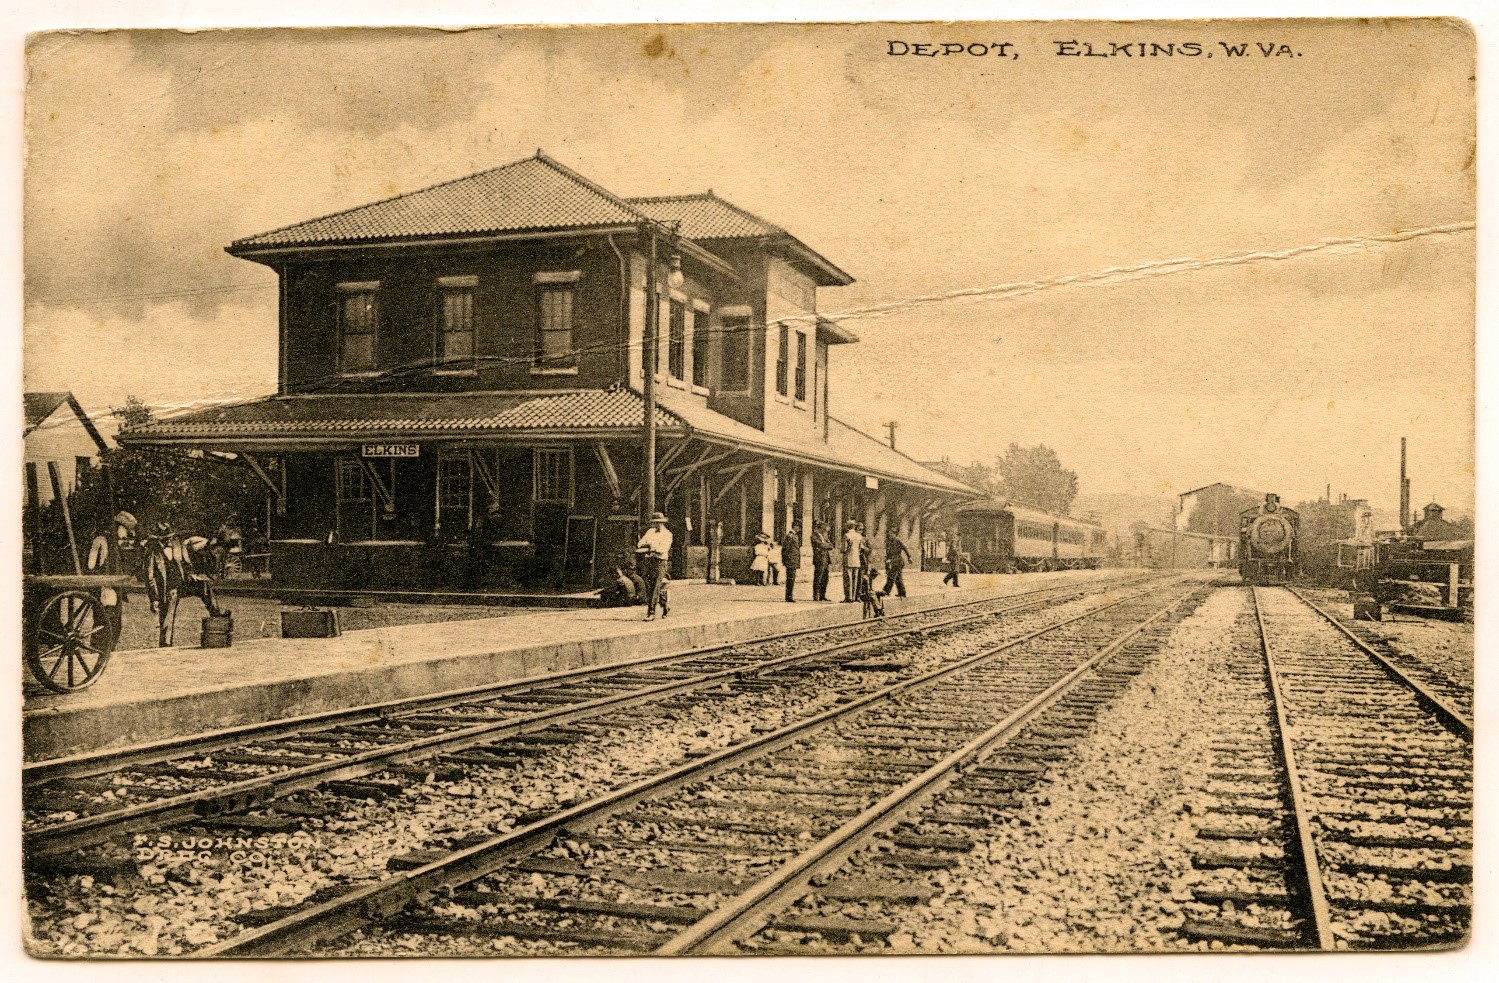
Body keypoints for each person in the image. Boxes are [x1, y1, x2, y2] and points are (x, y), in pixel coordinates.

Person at [142, 520, 225, 647]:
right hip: (167, 589)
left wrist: (191, 574)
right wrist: (154, 598)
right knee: (167, 617)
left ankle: (217, 615)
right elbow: (150, 577)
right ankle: (165, 644)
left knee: (204, 586)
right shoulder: (152, 552)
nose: (166, 541)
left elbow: (186, 563)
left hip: (183, 584)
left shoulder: (177, 545)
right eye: (163, 539)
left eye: (168, 538)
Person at [636, 512, 673, 620]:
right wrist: (647, 546)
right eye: (654, 523)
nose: (656, 525)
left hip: (660, 562)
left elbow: (663, 549)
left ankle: (651, 613)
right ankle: (665, 605)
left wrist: (652, 547)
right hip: (649, 561)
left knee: (655, 586)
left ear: (662, 523)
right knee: (650, 586)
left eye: (658, 523)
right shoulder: (650, 532)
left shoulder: (667, 534)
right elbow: (640, 543)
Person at [884, 528, 912, 599]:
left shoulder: (897, 540)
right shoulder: (889, 541)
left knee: (891, 576)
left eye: (891, 533)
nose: (889, 535)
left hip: (898, 561)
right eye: (889, 534)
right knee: (898, 578)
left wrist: (909, 557)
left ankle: (886, 591)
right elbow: (888, 552)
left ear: (894, 534)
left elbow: (905, 548)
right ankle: (902, 593)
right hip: (893, 561)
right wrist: (887, 558)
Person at [841, 520, 864, 602]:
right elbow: (860, 548)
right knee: (855, 579)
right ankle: (854, 597)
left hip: (848, 559)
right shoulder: (859, 536)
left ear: (847, 526)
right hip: (856, 560)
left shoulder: (846, 535)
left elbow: (843, 549)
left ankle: (848, 597)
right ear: (854, 527)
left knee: (848, 579)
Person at [810, 521, 833, 601]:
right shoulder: (814, 536)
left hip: (826, 559)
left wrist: (826, 545)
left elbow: (831, 545)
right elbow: (820, 545)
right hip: (819, 559)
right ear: (819, 528)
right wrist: (826, 545)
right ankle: (816, 595)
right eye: (823, 528)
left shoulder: (824, 536)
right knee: (818, 577)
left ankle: (822, 595)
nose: (825, 530)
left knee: (825, 578)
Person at [780, 523, 802, 603]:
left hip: (793, 560)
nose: (799, 529)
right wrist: (785, 560)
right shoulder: (790, 536)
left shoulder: (794, 536)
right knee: (790, 579)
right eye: (798, 527)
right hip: (790, 560)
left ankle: (789, 595)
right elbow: (785, 549)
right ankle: (788, 596)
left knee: (791, 579)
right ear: (795, 526)